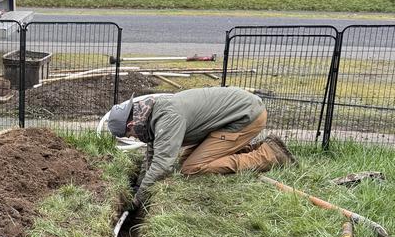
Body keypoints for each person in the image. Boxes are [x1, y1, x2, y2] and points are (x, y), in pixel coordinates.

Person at [107, 86, 295, 208]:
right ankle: (258, 148)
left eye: (129, 134)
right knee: (184, 161)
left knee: (192, 168)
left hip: (246, 117)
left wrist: (138, 200)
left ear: (131, 124)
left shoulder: (167, 118)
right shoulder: (150, 113)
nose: (133, 137)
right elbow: (152, 153)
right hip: (234, 116)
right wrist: (138, 186)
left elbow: (162, 164)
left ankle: (270, 155)